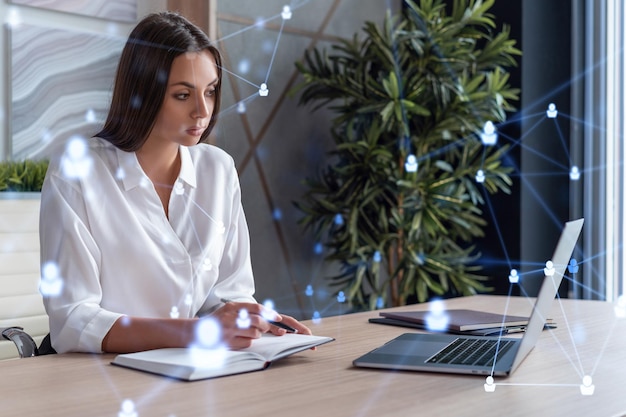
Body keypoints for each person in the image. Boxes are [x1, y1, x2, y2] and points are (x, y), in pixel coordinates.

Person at [39, 11, 311, 354]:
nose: (203, 110)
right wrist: (195, 332)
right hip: (103, 378)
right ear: (144, 92)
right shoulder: (78, 171)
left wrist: (254, 320)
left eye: (210, 91)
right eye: (183, 95)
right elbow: (73, 321)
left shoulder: (218, 169)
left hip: (195, 369)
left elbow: (228, 295)